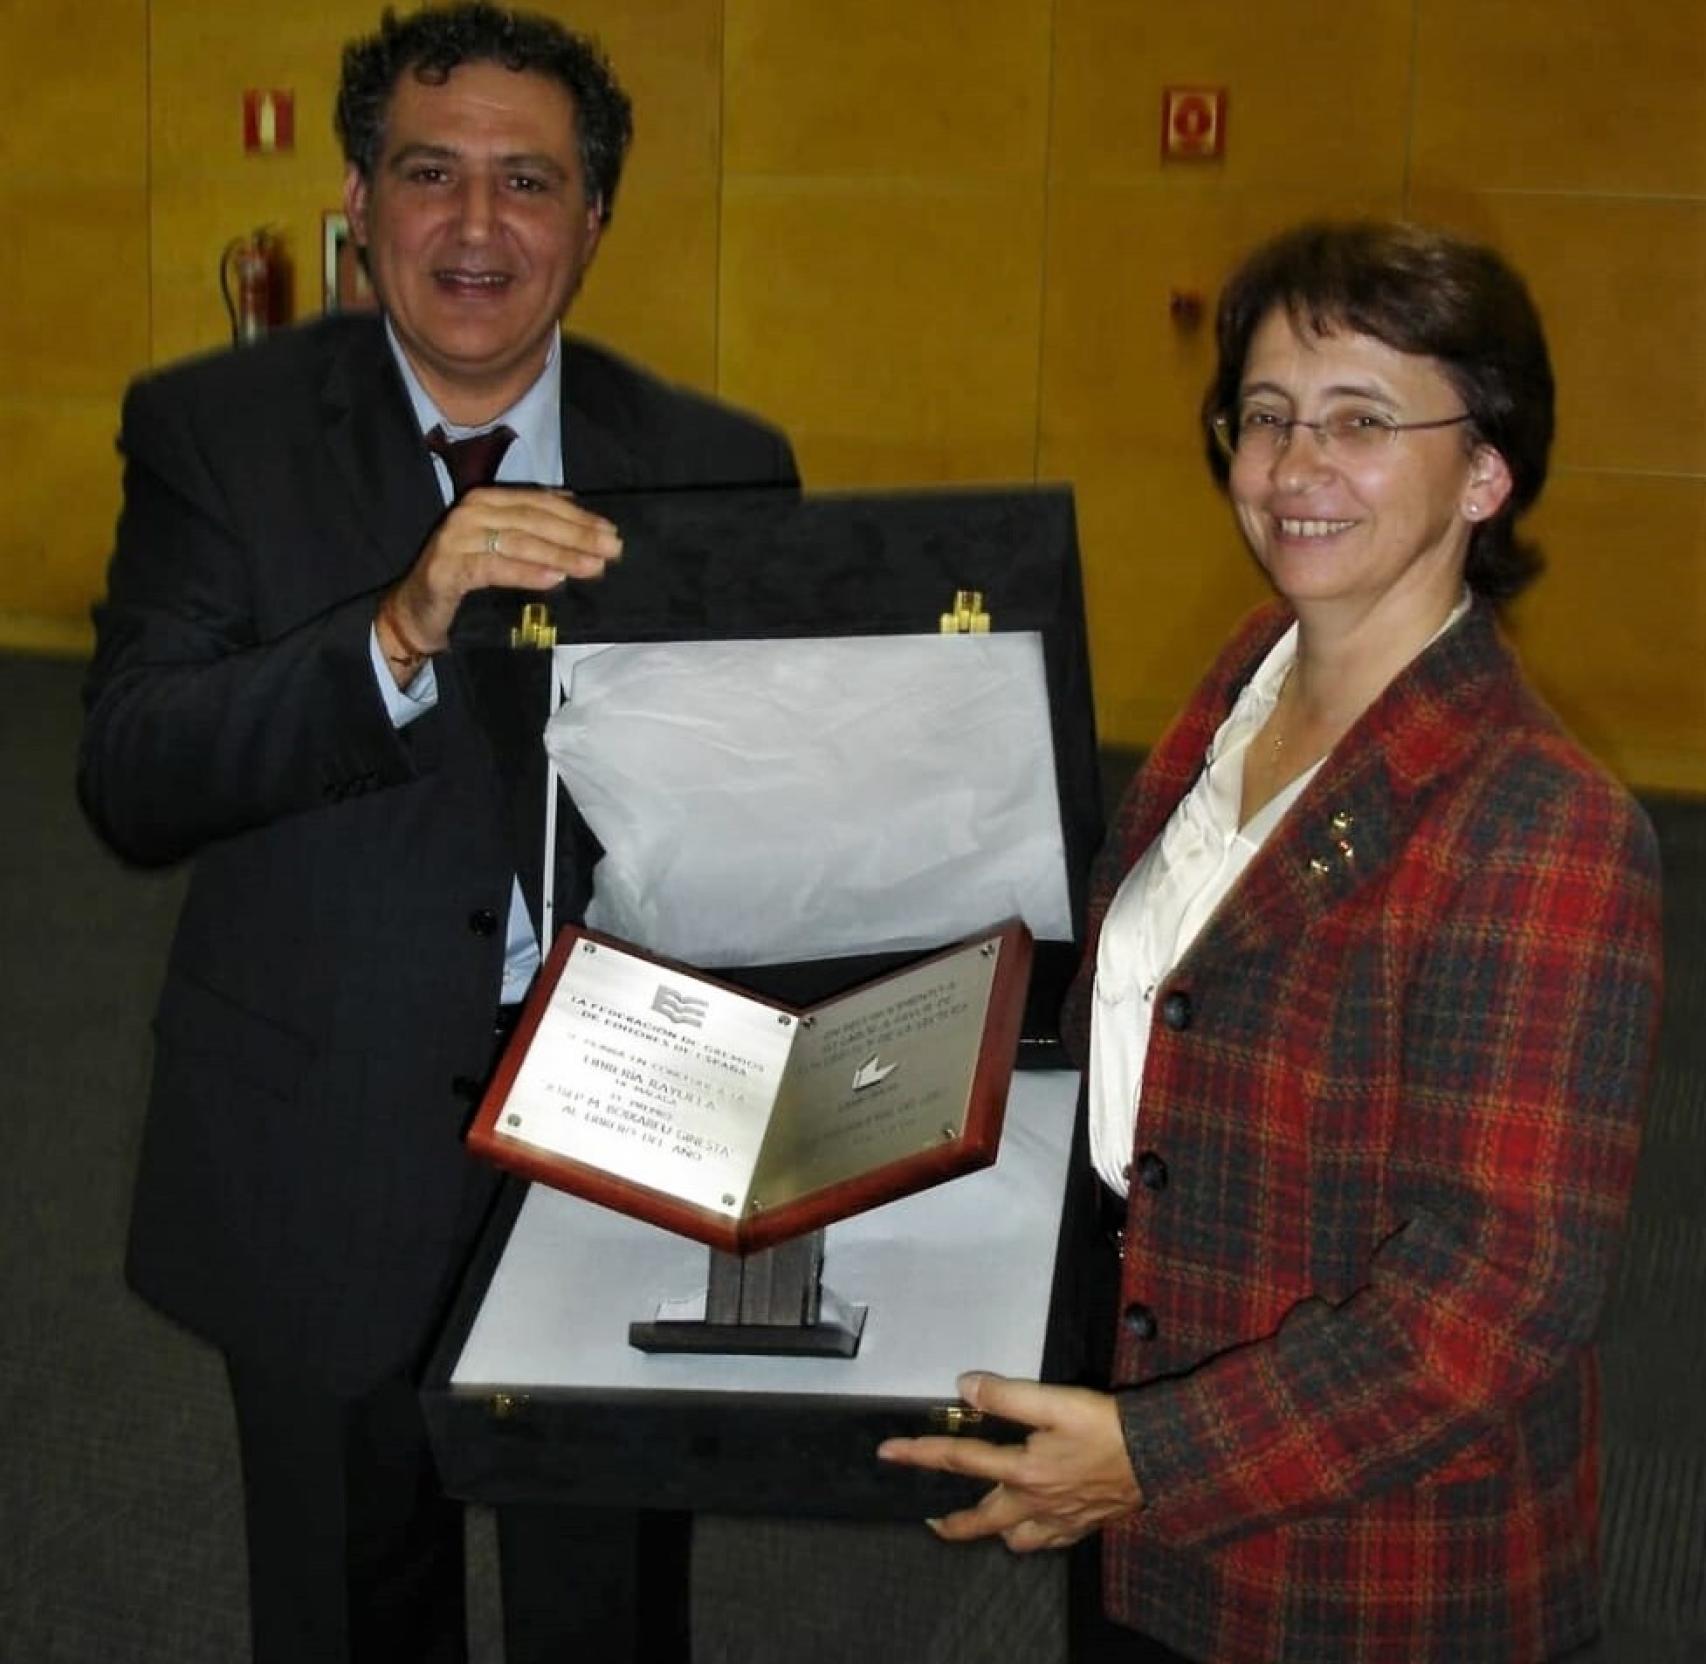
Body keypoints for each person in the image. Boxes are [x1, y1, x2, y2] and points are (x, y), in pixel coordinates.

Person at [77, 5, 795, 1662]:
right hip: (320, 1135)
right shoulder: (214, 439)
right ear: (358, 199)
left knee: (603, 1610)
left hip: (622, 1133)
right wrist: (395, 635)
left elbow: (768, 822)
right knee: (349, 1604)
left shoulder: (716, 469)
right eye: (428, 174)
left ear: (593, 218)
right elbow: (132, 775)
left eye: (527, 182)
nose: (476, 225)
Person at [877, 221, 1663, 1663]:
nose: (1295, 466)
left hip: (1366, 1567)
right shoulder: (1248, 676)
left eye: (1361, 422)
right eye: (1265, 415)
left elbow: (1489, 1308)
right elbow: (1142, 1012)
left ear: (1484, 475)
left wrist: (1150, 1457)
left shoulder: (1541, 822)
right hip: (1142, 1490)